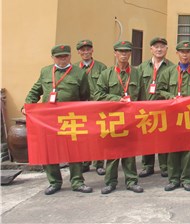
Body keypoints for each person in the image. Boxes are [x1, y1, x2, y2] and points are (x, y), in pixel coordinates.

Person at [23, 44, 93, 195]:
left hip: (71, 118)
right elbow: (36, 90)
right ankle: (54, 182)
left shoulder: (79, 73)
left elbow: (85, 95)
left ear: (70, 56)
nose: (62, 59)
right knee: (49, 150)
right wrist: (27, 105)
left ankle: (77, 182)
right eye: (59, 57)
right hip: (48, 119)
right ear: (53, 58)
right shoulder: (45, 72)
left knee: (74, 150)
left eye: (65, 56)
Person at [94, 41, 144, 195]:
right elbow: (98, 95)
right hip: (112, 119)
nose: (124, 54)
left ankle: (132, 181)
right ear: (115, 53)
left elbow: (142, 97)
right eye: (120, 51)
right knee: (112, 152)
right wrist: (116, 99)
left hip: (130, 119)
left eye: (126, 52)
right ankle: (110, 182)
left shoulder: (137, 73)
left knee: (129, 151)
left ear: (130, 54)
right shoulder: (106, 74)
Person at [156, 41, 190, 192]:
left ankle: (186, 179)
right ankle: (173, 179)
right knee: (173, 148)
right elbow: (159, 91)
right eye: (182, 52)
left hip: (188, 116)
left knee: (187, 149)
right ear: (177, 53)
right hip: (172, 116)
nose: (185, 55)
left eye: (188, 52)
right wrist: (170, 96)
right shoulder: (168, 72)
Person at [138, 37, 173, 178]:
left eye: (162, 47)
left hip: (164, 109)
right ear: (151, 49)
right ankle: (147, 166)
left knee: (164, 138)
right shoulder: (142, 67)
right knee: (147, 138)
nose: (159, 49)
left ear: (166, 49)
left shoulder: (172, 67)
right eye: (156, 47)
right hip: (145, 108)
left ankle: (164, 166)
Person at [75, 39, 108, 175]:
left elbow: (106, 86)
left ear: (92, 50)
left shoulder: (101, 67)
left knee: (98, 135)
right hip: (81, 107)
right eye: (83, 50)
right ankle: (84, 162)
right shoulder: (74, 68)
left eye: (88, 49)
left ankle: (99, 164)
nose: (86, 52)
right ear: (78, 52)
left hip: (97, 106)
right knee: (83, 135)